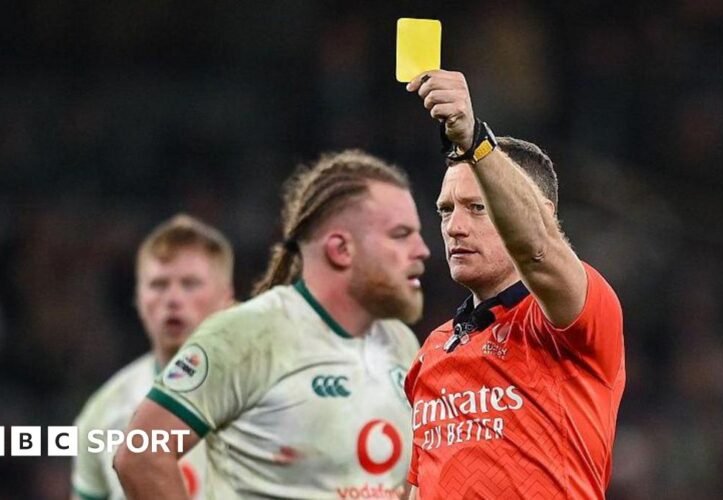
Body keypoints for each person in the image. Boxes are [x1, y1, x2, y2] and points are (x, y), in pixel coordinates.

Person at [114, 150, 430, 499]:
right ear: (341, 249)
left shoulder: (402, 343)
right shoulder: (247, 335)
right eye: (400, 234)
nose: (422, 249)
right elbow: (141, 456)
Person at [403, 70, 625, 499]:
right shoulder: (432, 350)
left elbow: (537, 248)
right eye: (446, 210)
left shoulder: (575, 316)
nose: (454, 227)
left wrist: (475, 143)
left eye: (477, 208)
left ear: (540, 211)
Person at [72, 214, 236, 500]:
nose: (173, 299)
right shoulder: (104, 412)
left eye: (190, 284)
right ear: (138, 298)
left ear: (226, 298)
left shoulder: (268, 395)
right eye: (158, 285)